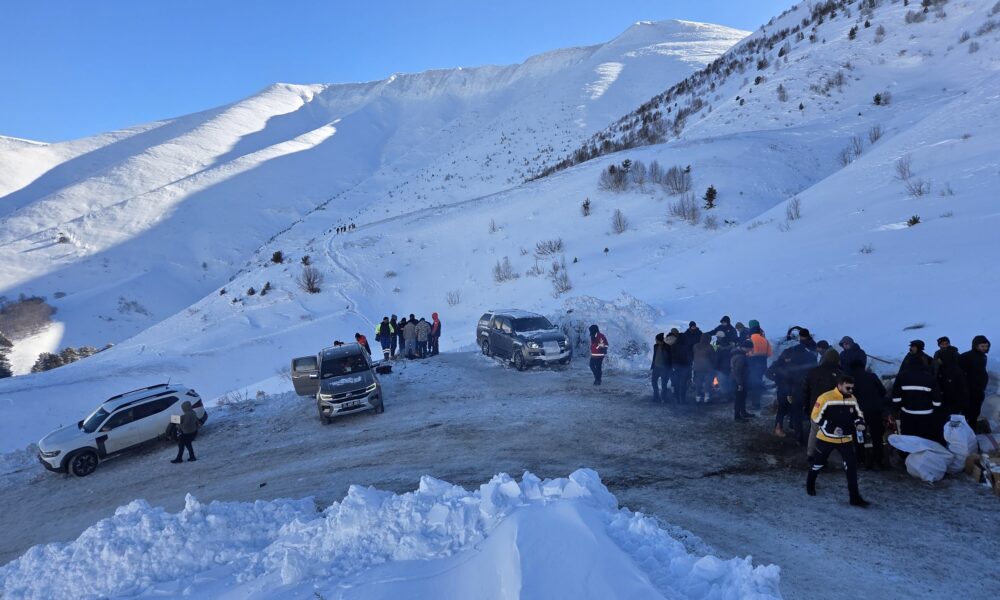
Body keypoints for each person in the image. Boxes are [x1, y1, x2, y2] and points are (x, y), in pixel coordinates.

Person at [808, 375, 870, 507]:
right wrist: (831, 428)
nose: (850, 391)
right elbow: (815, 416)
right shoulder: (825, 397)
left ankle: (855, 498)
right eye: (848, 388)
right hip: (826, 439)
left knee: (851, 468)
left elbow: (858, 414)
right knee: (818, 464)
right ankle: (810, 483)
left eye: (852, 388)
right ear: (840, 385)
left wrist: (860, 423)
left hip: (846, 440)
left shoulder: (852, 398)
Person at [892, 346, 943, 443]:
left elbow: (896, 397)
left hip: (908, 414)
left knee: (909, 441)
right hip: (926, 415)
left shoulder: (901, 376)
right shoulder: (929, 377)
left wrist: (898, 408)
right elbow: (937, 399)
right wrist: (935, 410)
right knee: (926, 439)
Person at [803, 348, 843, 456]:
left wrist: (806, 406)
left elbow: (806, 390)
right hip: (833, 409)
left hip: (815, 407)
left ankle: (811, 454)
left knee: (814, 431)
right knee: (832, 432)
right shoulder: (840, 374)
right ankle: (830, 456)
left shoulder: (813, 372)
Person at [849, 360, 887, 469]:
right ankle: (878, 462)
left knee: (859, 437)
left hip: (859, 413)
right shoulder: (872, 376)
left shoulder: (850, 380)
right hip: (875, 411)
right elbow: (883, 392)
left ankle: (861, 461)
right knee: (877, 437)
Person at [784, 329, 819, 445]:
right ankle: (813, 436)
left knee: (797, 412)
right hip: (810, 389)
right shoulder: (811, 358)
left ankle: (799, 437)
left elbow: (788, 377)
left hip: (797, 390)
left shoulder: (792, 361)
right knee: (811, 411)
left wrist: (789, 393)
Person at [959, 335, 991, 429]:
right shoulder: (966, 356)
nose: (985, 348)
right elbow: (959, 373)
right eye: (982, 346)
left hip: (978, 390)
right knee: (967, 413)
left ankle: (971, 431)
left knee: (975, 413)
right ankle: (964, 432)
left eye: (986, 346)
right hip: (969, 391)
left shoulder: (982, 356)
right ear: (976, 346)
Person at [934, 342, 968, 418]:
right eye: (942, 344)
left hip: (952, 402)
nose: (938, 360)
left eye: (940, 358)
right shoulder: (942, 367)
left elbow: (961, 388)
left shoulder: (955, 370)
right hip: (945, 400)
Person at [747, 323, 772, 410]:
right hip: (762, 365)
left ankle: (755, 404)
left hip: (753, 366)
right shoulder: (766, 341)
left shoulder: (750, 340)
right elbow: (769, 354)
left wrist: (751, 355)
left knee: (753, 384)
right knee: (758, 383)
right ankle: (757, 402)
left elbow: (746, 352)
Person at [731, 339, 756, 421]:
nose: (751, 350)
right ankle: (737, 416)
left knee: (743, 397)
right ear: (746, 347)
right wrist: (740, 384)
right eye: (750, 348)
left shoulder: (740, 354)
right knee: (739, 398)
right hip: (739, 381)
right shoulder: (740, 357)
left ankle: (743, 412)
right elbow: (737, 372)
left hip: (741, 380)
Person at [668, 328, 692, 403]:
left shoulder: (673, 341)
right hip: (680, 364)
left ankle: (679, 398)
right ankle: (681, 399)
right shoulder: (681, 339)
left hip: (679, 364)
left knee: (677, 383)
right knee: (680, 383)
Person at [692, 333, 715, 403]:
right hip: (707, 368)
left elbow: (693, 355)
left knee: (698, 383)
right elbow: (713, 358)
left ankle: (698, 397)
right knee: (707, 383)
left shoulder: (695, 346)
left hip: (697, 368)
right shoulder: (709, 347)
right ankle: (706, 398)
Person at [651, 333, 672, 403]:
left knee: (664, 384)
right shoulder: (655, 346)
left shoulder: (667, 347)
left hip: (664, 369)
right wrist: (653, 365)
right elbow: (654, 356)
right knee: (653, 381)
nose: (655, 341)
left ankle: (664, 398)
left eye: (656, 339)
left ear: (659, 340)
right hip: (656, 367)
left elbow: (670, 358)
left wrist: (670, 368)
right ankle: (656, 395)